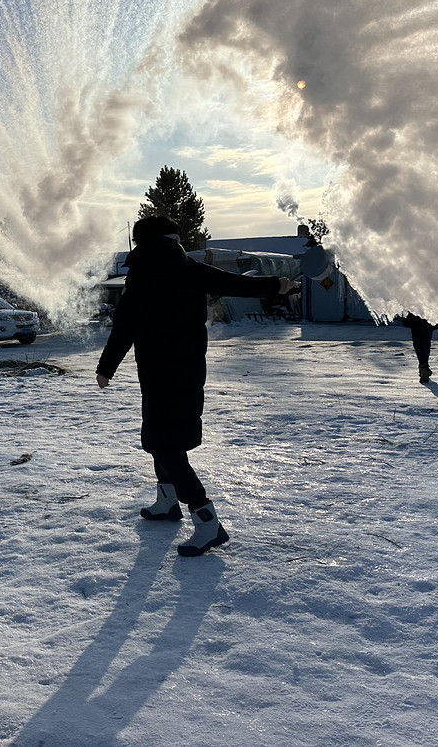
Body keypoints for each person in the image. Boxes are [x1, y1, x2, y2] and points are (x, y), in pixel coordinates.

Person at [95, 215, 298, 556]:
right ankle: (167, 502)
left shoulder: (140, 279)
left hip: (157, 375)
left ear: (141, 243)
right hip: (188, 372)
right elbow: (238, 284)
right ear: (173, 240)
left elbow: (123, 328)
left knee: (165, 446)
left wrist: (106, 368)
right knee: (162, 440)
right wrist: (277, 283)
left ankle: (207, 523)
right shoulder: (190, 270)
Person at [401, 313, 438, 384]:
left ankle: (423, 367)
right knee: (426, 343)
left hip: (418, 320)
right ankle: (423, 367)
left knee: (419, 343)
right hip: (429, 318)